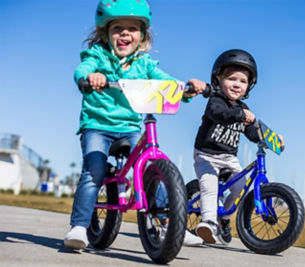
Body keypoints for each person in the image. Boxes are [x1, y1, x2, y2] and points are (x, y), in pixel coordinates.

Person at [64, 0, 205, 250]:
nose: (125, 33)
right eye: (117, 28)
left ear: (142, 35)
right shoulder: (97, 55)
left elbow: (166, 81)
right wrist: (90, 77)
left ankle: (170, 225)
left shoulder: (145, 64)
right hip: (97, 124)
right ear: (105, 33)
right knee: (94, 170)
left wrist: (186, 88)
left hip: (129, 126)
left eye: (132, 28)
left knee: (153, 170)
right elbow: (82, 70)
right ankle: (79, 226)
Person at [193, 49, 284, 245]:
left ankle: (224, 220)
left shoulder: (244, 109)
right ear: (218, 79)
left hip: (229, 158)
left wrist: (273, 140)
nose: (237, 84)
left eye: (242, 81)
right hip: (206, 155)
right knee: (209, 186)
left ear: (248, 86)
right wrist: (240, 116)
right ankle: (209, 223)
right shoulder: (215, 101)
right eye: (232, 79)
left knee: (239, 189)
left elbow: (252, 133)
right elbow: (219, 114)